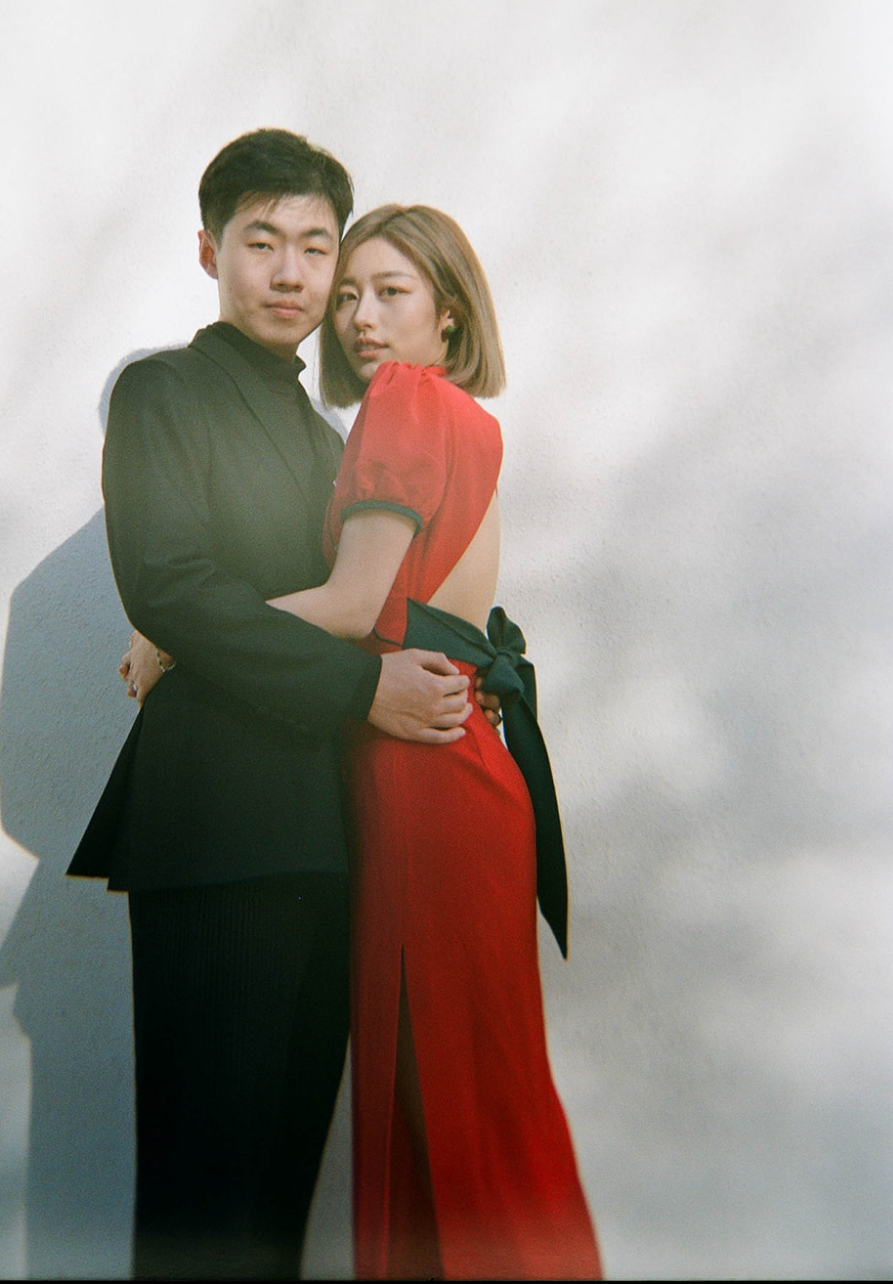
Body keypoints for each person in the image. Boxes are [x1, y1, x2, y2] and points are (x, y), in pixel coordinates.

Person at [134, 203, 602, 1280]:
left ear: (450, 311)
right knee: (487, 1104)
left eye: (390, 292)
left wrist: (176, 635)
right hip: (469, 766)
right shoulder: (466, 417)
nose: (358, 318)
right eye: (348, 295)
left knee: (441, 1110)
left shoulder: (401, 402)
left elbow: (353, 605)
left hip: (420, 779)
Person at [66, 131, 491, 1280]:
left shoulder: (331, 439)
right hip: (215, 826)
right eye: (262, 242)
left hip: (335, 834)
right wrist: (361, 686)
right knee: (206, 1200)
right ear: (211, 251)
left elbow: (364, 602)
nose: (293, 272)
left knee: (277, 1201)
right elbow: (170, 583)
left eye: (315, 245)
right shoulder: (162, 391)